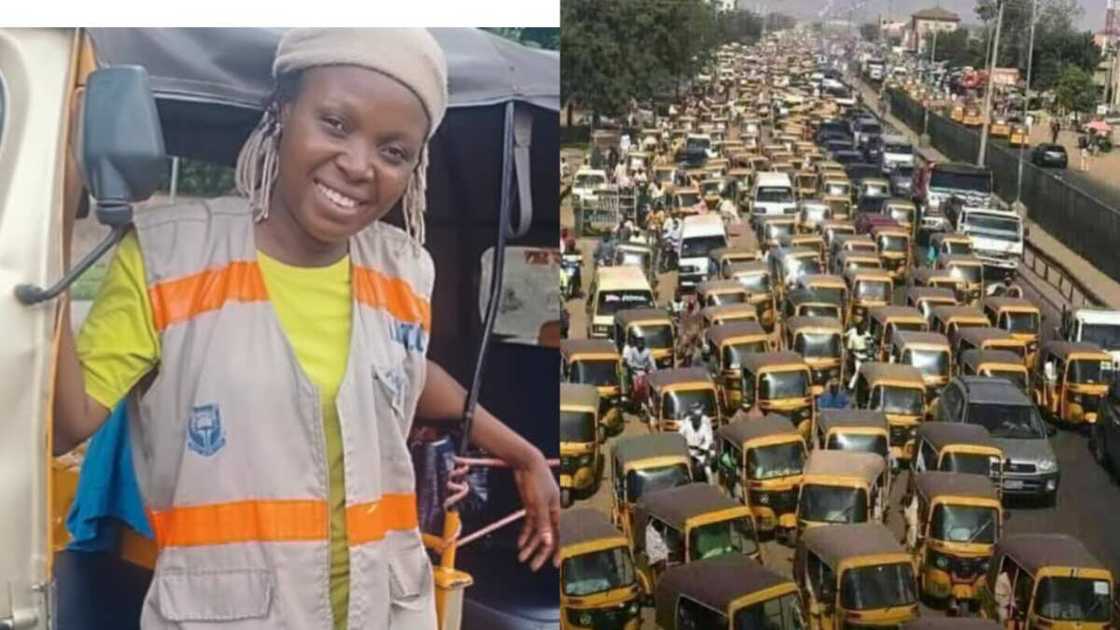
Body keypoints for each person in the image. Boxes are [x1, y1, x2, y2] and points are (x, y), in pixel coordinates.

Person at [55, 29, 558, 630]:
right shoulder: (169, 258)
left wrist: (522, 452)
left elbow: (403, 371)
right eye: (336, 124)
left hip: (390, 611)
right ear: (282, 114)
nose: (357, 165)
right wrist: (56, 213)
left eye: (393, 151)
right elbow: (66, 423)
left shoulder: (402, 268)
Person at [845, 325, 873, 389]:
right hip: (857, 356)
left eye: (863, 330)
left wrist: (869, 341)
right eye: (861, 330)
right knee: (857, 372)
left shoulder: (866, 334)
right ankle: (850, 387)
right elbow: (850, 348)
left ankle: (869, 385)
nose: (862, 331)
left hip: (867, 356)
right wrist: (852, 355)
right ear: (857, 330)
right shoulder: (852, 337)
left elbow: (871, 343)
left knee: (869, 372)